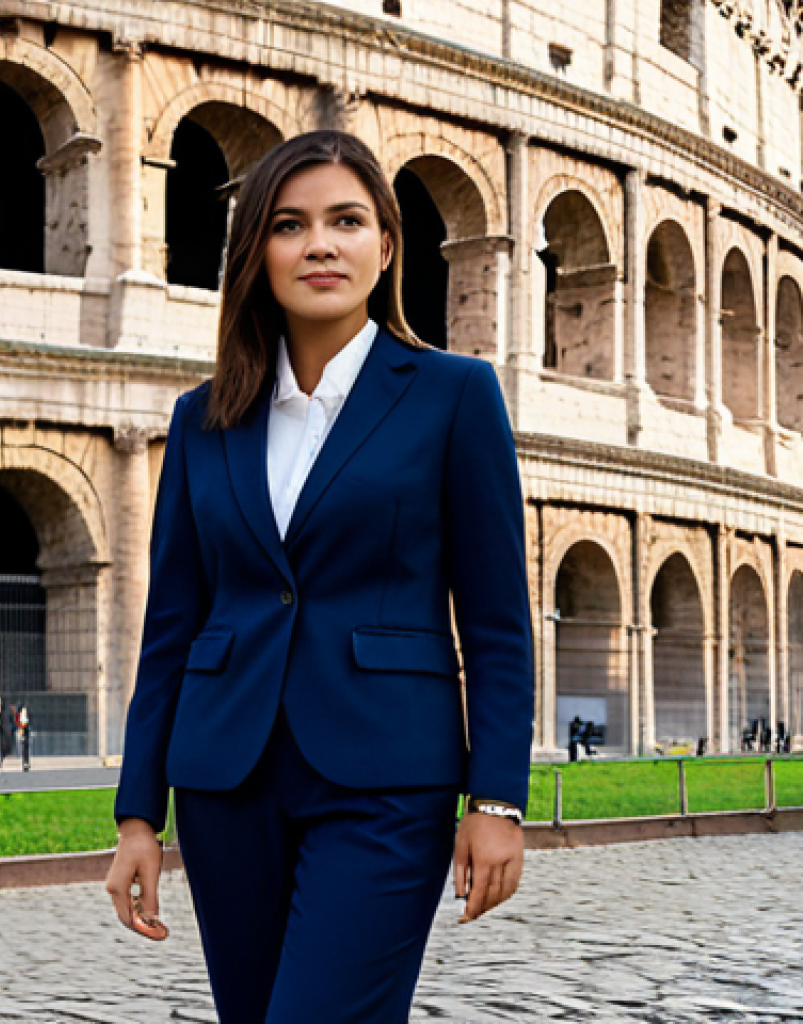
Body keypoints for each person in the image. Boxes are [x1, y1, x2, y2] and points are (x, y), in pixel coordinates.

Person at [106, 130, 535, 1024]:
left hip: (386, 778)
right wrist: (138, 814)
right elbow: (173, 625)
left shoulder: (456, 395)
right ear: (257, 252)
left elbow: (496, 622)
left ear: (386, 243)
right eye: (290, 225)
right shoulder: (202, 418)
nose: (320, 245)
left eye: (347, 220)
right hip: (228, 780)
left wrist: (496, 797)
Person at [0, 701, 15, 770]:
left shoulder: (2, 714)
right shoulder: (1, 714)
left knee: (3, 747)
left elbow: (0, 724)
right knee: (3, 747)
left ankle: (1, 761)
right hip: (5, 732)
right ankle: (1, 761)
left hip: (5, 732)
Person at [17, 703, 31, 771]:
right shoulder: (22, 714)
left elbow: (23, 724)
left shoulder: (22, 714)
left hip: (24, 732)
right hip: (24, 732)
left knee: (25, 748)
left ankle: (26, 762)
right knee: (25, 748)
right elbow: (23, 724)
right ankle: (25, 762)